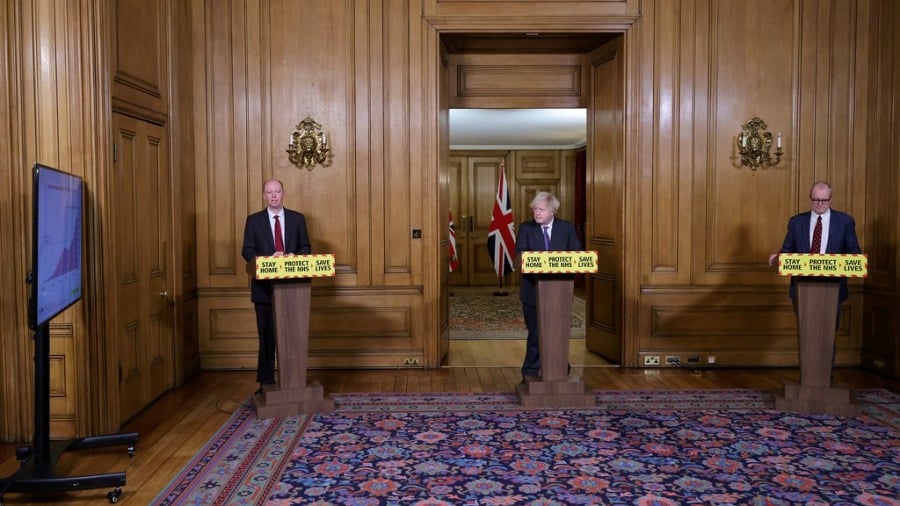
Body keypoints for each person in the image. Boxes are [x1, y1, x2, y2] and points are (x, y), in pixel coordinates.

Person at [242, 179, 311, 393]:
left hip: (293, 291)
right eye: (269, 192)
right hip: (264, 291)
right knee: (266, 337)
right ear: (264, 195)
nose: (274, 195)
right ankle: (266, 383)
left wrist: (293, 256)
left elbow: (306, 247)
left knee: (293, 337)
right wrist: (269, 259)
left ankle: (294, 382)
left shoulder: (297, 219)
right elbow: (247, 251)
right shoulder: (254, 221)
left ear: (283, 193)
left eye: (277, 191)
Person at [768, 181, 861, 330]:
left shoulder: (845, 222)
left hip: (833, 288)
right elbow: (787, 249)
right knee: (806, 332)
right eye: (816, 200)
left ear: (831, 199)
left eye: (824, 200)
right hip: (802, 288)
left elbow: (854, 253)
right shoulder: (796, 222)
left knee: (828, 333)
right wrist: (778, 258)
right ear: (810, 198)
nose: (820, 203)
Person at [515, 191, 582, 382]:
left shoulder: (566, 228)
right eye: (535, 209)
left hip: (560, 293)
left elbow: (577, 253)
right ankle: (530, 371)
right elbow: (520, 255)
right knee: (536, 334)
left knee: (557, 332)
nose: (537, 213)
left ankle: (559, 368)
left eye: (541, 209)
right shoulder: (526, 228)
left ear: (553, 211)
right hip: (532, 291)